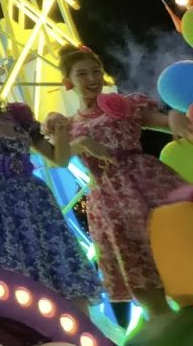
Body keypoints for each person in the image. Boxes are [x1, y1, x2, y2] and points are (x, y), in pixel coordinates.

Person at [0, 51, 100, 306]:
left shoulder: (16, 114)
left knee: (58, 262)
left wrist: (60, 128)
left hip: (33, 198)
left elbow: (57, 159)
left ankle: (78, 326)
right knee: (9, 270)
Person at [45, 45, 193, 317]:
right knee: (136, 263)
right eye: (82, 74)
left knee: (175, 240)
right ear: (68, 82)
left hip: (147, 181)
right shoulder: (67, 124)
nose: (92, 78)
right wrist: (79, 142)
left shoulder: (124, 106)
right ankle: (161, 320)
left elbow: (163, 122)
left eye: (96, 71)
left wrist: (174, 116)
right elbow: (58, 159)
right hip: (109, 198)